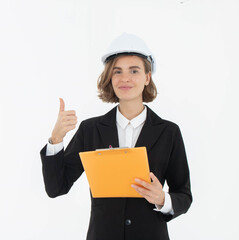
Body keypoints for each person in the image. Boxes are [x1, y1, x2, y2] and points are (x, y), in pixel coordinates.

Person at [40, 33, 192, 240]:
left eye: (134, 71)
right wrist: (56, 139)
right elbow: (57, 187)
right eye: (117, 71)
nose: (125, 78)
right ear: (110, 78)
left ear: (147, 78)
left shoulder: (168, 132)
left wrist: (162, 199)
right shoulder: (90, 129)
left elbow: (184, 195)